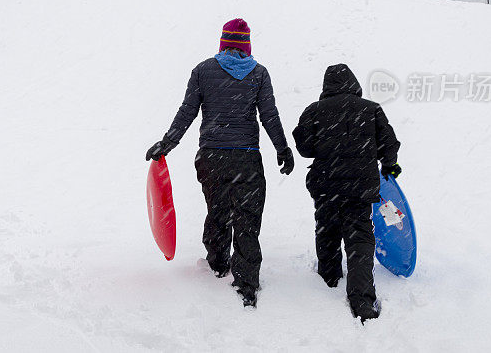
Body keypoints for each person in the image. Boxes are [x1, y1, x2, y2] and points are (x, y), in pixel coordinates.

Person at [146, 18, 295, 308]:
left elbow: (186, 112)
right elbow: (270, 116)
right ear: (247, 44)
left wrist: (167, 143)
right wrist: (282, 148)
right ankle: (247, 281)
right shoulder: (259, 74)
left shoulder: (203, 71)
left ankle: (216, 263)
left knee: (218, 211)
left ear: (223, 43)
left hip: (212, 157)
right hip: (246, 158)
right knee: (247, 220)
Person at [292, 63, 401, 323]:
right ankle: (362, 298)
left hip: (326, 184)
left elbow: (304, 147)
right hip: (360, 188)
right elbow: (389, 142)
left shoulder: (315, 110)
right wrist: (388, 164)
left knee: (327, 229)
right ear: (354, 84)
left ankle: (328, 278)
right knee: (360, 238)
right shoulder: (371, 109)